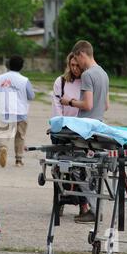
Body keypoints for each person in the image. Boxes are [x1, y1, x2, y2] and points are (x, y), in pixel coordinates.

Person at [60, 40, 110, 223]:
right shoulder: (103, 73)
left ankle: (94, 209)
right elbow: (106, 105)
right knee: (93, 171)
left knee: (77, 170)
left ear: (82, 54)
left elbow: (87, 104)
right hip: (98, 126)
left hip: (85, 130)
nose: (78, 65)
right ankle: (94, 208)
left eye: (77, 60)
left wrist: (70, 102)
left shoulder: (88, 75)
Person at [51, 52, 87, 217]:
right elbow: (57, 106)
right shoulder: (61, 81)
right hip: (63, 129)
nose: (74, 68)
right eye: (71, 65)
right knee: (59, 166)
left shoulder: (87, 82)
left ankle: (83, 205)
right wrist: (60, 125)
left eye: (77, 65)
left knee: (82, 168)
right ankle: (58, 201)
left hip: (80, 129)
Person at [0, 56, 35, 168]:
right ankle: (18, 160)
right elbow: (31, 96)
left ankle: (3, 148)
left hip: (5, 110)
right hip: (21, 111)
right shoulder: (24, 80)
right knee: (20, 136)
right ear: (21, 66)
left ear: (8, 65)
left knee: (4, 133)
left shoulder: (0, 78)